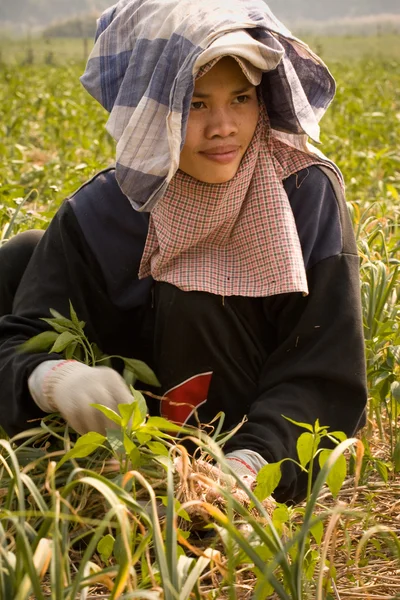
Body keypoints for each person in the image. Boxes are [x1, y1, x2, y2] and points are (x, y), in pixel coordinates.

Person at [0, 0, 367, 504]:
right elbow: (17, 340)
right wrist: (52, 378)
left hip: (237, 445)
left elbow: (326, 369)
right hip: (128, 441)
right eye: (195, 104)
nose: (224, 127)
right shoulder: (103, 211)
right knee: (20, 257)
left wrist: (250, 464)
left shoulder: (302, 193)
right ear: (151, 114)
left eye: (241, 98)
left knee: (197, 291)